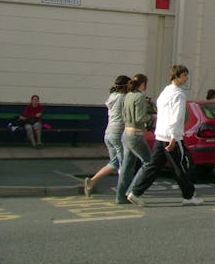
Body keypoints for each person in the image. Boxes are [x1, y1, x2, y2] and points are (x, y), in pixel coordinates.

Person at [126, 65, 203, 206]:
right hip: (171, 136)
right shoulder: (179, 94)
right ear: (177, 76)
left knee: (154, 166)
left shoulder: (165, 91)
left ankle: (135, 192)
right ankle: (188, 196)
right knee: (180, 166)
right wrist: (174, 137)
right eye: (185, 75)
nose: (186, 78)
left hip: (160, 134)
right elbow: (176, 116)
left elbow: (161, 112)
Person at [84, 75, 129, 196]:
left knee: (114, 163)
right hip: (118, 133)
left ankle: (92, 182)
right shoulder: (124, 98)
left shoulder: (112, 96)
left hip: (108, 133)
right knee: (124, 164)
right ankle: (123, 192)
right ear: (125, 86)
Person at [115, 74, 154, 204]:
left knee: (127, 166)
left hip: (126, 132)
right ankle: (133, 191)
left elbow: (123, 114)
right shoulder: (140, 96)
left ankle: (120, 196)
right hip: (136, 134)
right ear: (143, 84)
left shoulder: (127, 96)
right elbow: (140, 118)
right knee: (148, 162)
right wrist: (153, 117)